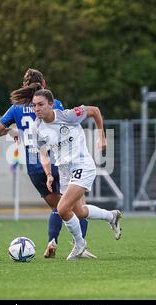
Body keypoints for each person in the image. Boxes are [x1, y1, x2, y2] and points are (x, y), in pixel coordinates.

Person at [0, 68, 89, 258]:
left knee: (57, 207)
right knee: (76, 207)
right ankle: (80, 245)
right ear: (43, 85)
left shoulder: (16, 108)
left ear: (24, 86)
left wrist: (11, 131)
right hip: (57, 160)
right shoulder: (53, 103)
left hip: (34, 166)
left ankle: (52, 241)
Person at [32, 89, 122, 260]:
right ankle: (112, 216)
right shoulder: (36, 127)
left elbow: (94, 110)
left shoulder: (69, 115)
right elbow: (43, 154)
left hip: (83, 165)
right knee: (79, 212)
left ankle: (79, 245)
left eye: (41, 104)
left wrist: (101, 136)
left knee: (62, 208)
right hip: (65, 171)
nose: (37, 108)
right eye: (35, 105)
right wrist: (49, 174)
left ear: (51, 104)